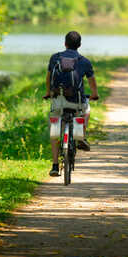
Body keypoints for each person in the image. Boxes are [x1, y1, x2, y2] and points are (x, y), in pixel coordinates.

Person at [43, 31, 99, 177]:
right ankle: (81, 137)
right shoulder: (84, 61)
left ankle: (55, 165)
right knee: (86, 110)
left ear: (65, 43)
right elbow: (92, 82)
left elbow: (48, 78)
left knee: (55, 129)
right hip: (77, 102)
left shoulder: (55, 58)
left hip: (58, 101)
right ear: (79, 45)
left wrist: (48, 93)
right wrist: (94, 95)